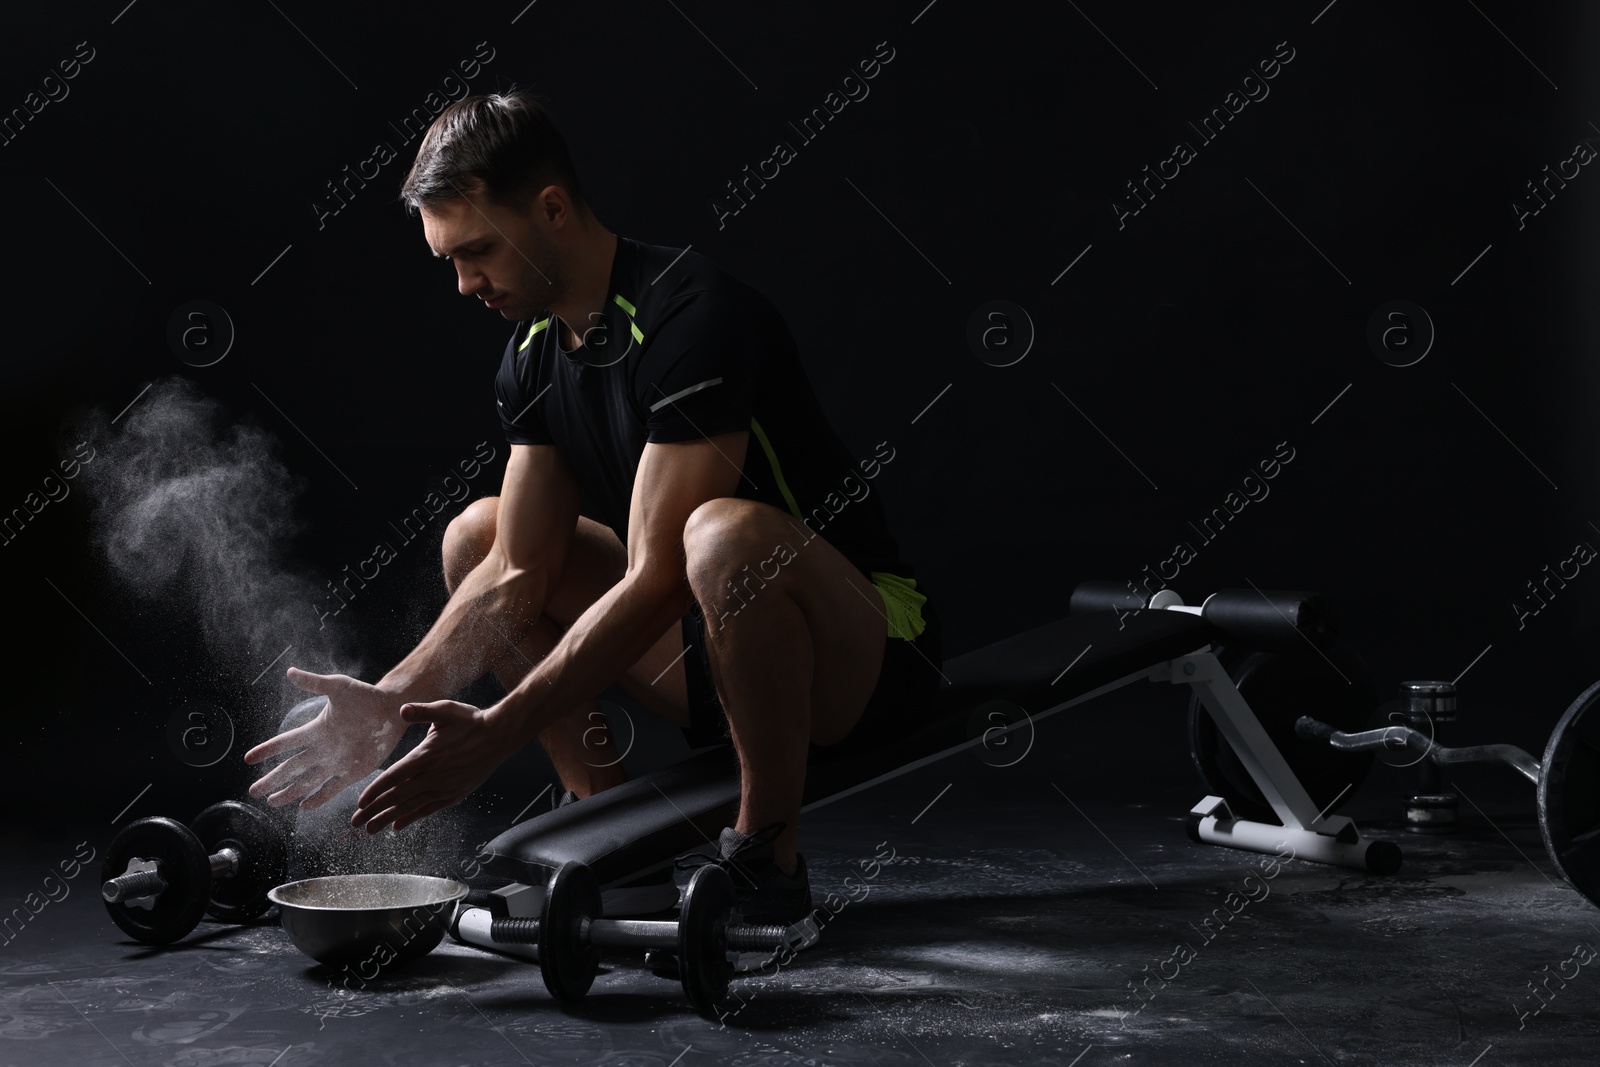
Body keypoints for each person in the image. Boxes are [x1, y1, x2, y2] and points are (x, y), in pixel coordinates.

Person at [244, 90, 944, 950]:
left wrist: (496, 733)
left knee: (721, 533)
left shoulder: (693, 318)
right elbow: (514, 572)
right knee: (478, 536)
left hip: (866, 656)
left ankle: (769, 860)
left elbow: (656, 579)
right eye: (449, 262)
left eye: (478, 251)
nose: (465, 284)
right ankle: (618, 846)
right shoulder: (532, 357)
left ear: (552, 210)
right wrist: (393, 699)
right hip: (716, 653)